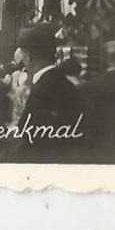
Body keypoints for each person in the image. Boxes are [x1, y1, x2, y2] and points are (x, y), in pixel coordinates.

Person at [14, 22, 86, 163]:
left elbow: (32, 141)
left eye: (22, 53)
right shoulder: (64, 84)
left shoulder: (42, 90)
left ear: (28, 56)